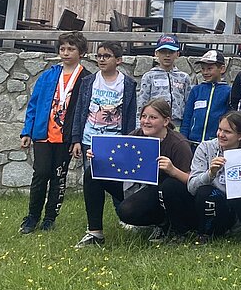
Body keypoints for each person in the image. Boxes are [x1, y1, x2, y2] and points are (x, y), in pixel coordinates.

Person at [75, 98, 192, 247]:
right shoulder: (137, 135)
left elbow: (191, 181)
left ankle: (164, 223)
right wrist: (97, 155)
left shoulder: (178, 144)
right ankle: (95, 233)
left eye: (153, 117)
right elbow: (116, 158)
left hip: (164, 194)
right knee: (93, 171)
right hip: (137, 186)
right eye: (143, 117)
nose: (146, 121)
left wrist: (172, 170)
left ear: (166, 121)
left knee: (126, 212)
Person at [18, 31, 88, 234]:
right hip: (43, 134)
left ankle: (49, 218)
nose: (66, 53)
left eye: (71, 49)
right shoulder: (48, 75)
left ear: (81, 52)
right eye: (63, 49)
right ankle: (32, 217)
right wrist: (27, 131)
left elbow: (84, 111)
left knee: (59, 177)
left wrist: (77, 139)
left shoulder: (86, 78)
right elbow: (33, 104)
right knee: (40, 174)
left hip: (66, 138)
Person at [187, 111, 241, 243]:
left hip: (235, 209)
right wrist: (210, 173)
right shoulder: (205, 147)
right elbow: (191, 187)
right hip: (208, 204)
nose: (221, 134)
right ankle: (204, 234)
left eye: (227, 132)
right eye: (220, 129)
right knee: (204, 192)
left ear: (240, 136)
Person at [71, 41, 137, 164]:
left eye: (106, 56)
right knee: (90, 176)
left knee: (113, 179)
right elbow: (79, 110)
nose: (101, 60)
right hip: (89, 139)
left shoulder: (128, 84)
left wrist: (129, 141)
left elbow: (131, 115)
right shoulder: (88, 81)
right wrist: (76, 139)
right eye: (99, 56)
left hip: (116, 140)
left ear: (118, 60)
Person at [136, 34, 191, 127]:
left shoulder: (184, 77)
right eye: (163, 52)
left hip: (177, 123)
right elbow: (142, 104)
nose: (167, 55)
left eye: (171, 52)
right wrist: (140, 125)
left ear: (177, 54)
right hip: (154, 122)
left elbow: (188, 104)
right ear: (156, 53)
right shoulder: (149, 76)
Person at [181, 49, 231, 149]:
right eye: (203, 69)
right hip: (193, 143)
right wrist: (183, 140)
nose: (205, 72)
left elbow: (230, 119)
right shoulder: (196, 90)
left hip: (215, 144)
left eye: (209, 68)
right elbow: (187, 117)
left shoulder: (228, 91)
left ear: (221, 69)